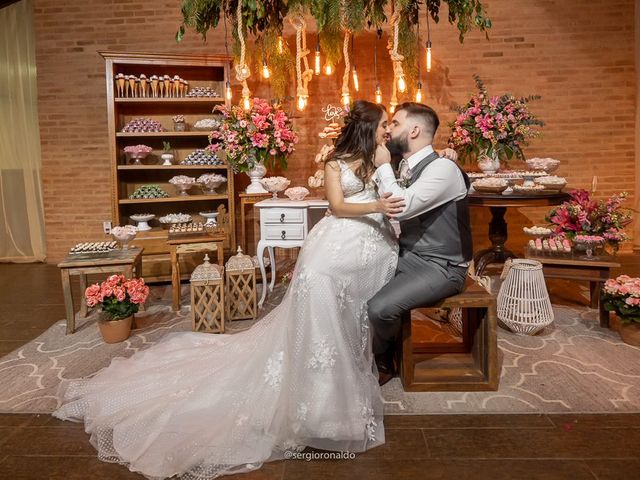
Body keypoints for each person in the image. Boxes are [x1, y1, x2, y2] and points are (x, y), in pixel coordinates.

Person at [53, 100, 405, 479]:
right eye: (385, 123)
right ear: (368, 127)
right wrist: (376, 206)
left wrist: (383, 185)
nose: (389, 129)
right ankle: (318, 399)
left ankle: (344, 376)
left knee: (344, 312)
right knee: (319, 308)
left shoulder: (381, 157)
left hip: (364, 246)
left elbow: (395, 196)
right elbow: (336, 206)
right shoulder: (335, 161)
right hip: (335, 239)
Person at [367, 102, 473, 386]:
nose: (389, 130)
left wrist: (382, 167)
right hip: (407, 253)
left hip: (442, 265)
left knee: (379, 308)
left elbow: (400, 207)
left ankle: (382, 355)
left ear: (414, 130)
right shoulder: (405, 165)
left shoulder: (444, 169)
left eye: (396, 123)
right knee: (352, 278)